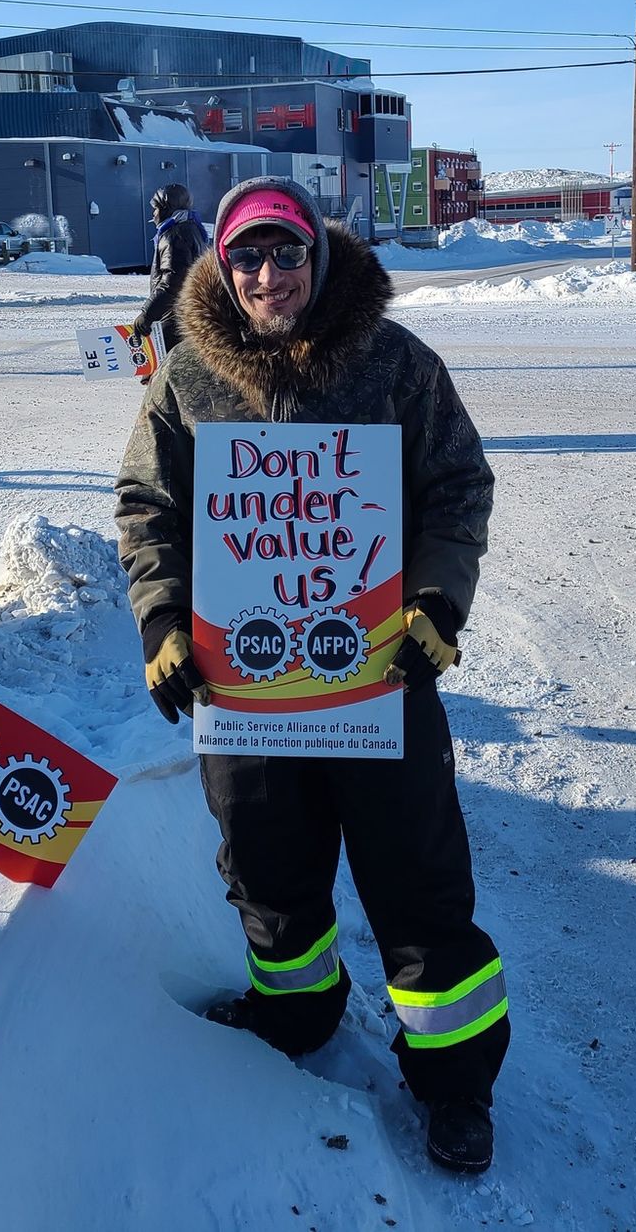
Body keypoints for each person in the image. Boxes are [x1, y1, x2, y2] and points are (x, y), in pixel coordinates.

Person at [115, 176, 509, 1175]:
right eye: (245, 255)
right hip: (245, 692)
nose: (265, 274)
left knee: (416, 882)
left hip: (376, 678)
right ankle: (294, 1013)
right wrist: (163, 621)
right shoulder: (186, 377)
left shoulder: (392, 364)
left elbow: (456, 485)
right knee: (270, 874)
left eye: (283, 252)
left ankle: (455, 1080)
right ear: (219, 261)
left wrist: (434, 601)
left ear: (316, 255)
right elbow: (147, 509)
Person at [128, 183, 208, 358]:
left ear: (166, 208)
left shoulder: (174, 235)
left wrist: (147, 314)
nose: (153, 214)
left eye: (156, 208)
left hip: (173, 321)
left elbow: (173, 281)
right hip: (186, 317)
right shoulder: (192, 229)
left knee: (169, 375)